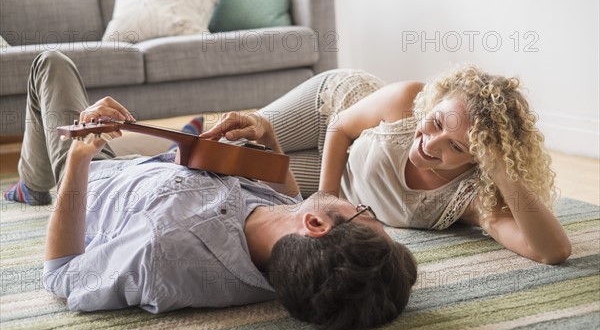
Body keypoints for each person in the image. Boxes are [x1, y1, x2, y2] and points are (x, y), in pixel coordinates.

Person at [3, 51, 417, 330]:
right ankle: (180, 139)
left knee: (50, 64)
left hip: (96, 176)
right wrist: (268, 134)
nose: (359, 204)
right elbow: (289, 202)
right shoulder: (296, 263)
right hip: (166, 170)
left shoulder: (158, 253)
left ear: (316, 224)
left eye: (364, 211)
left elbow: (60, 273)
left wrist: (77, 159)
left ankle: (35, 185)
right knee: (193, 140)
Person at [201, 68, 572, 265]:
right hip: (336, 117)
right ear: (435, 103)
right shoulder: (408, 100)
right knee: (228, 138)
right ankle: (146, 131)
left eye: (455, 146)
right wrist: (324, 198)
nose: (430, 144)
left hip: (341, 179)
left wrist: (501, 168)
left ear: (477, 160)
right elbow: (341, 126)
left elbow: (551, 252)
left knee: (233, 170)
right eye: (437, 123)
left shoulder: (470, 199)